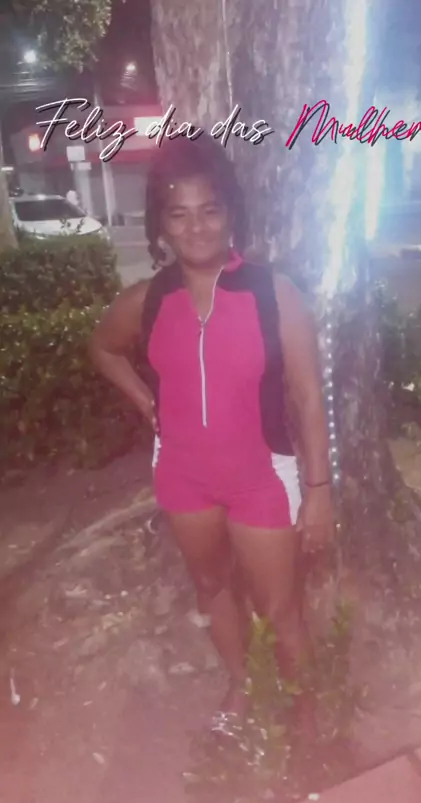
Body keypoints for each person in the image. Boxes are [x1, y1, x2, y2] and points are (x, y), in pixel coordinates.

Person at [89, 133, 334, 736]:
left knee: (280, 607)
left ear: (230, 213)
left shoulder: (274, 294)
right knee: (212, 585)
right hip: (184, 479)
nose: (196, 227)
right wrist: (146, 402)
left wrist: (319, 490)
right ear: (162, 224)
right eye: (179, 214)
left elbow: (308, 398)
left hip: (261, 480)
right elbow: (102, 347)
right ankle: (240, 683)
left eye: (210, 210)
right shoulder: (149, 300)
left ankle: (306, 713)